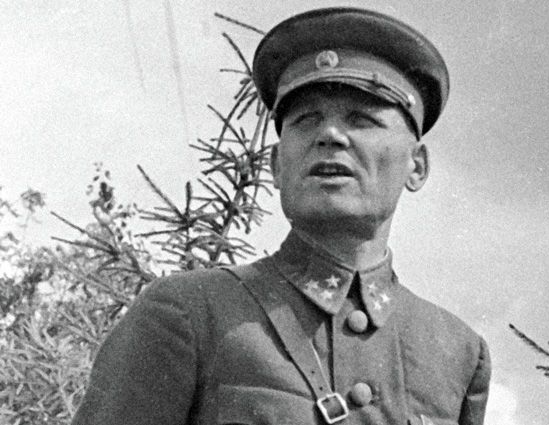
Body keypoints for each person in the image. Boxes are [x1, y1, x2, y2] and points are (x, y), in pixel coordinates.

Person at [72, 7, 490, 425]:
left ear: (417, 166)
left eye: (361, 118)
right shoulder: (189, 313)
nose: (329, 135)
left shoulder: (456, 353)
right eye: (306, 120)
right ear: (275, 165)